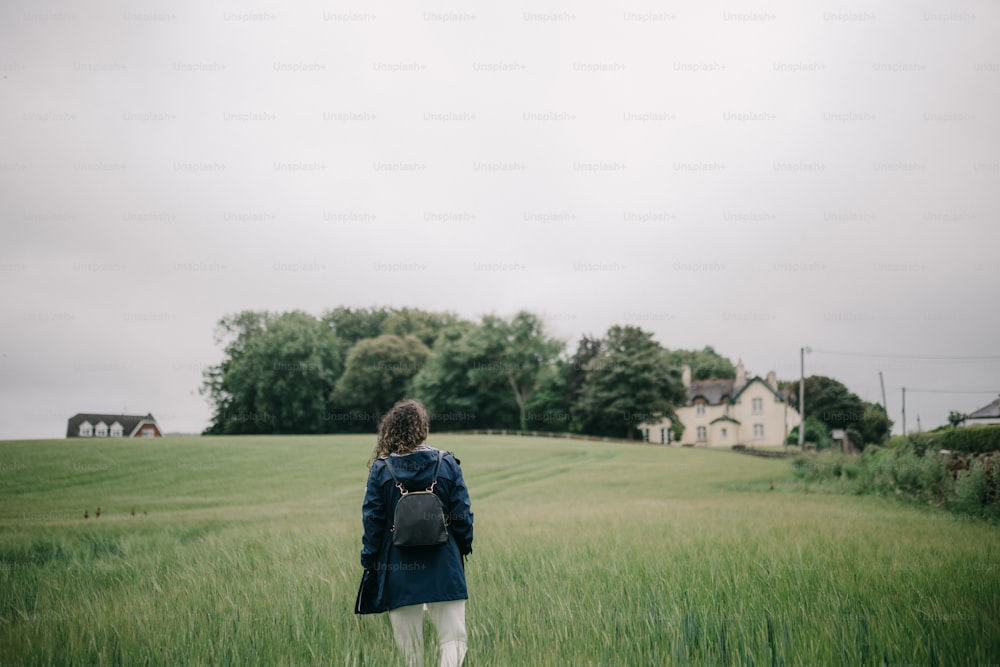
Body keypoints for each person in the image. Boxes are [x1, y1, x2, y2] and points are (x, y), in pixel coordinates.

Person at [359, 399, 474, 667]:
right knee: (454, 641)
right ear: (424, 430)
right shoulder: (447, 463)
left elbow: (372, 525)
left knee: (410, 653)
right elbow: (463, 517)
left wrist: (370, 563)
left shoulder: (380, 469)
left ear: (391, 430)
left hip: (397, 567)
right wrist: (462, 549)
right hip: (444, 563)